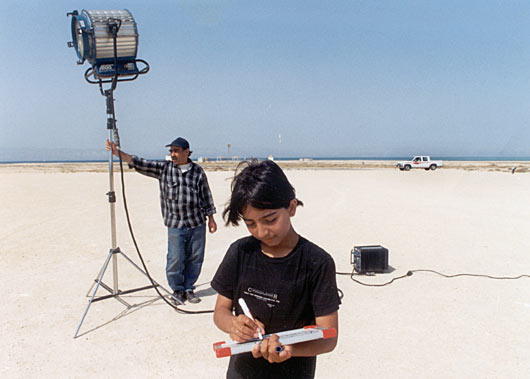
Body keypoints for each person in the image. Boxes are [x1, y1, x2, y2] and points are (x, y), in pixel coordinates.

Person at [211, 160, 340, 379]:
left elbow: (328, 337)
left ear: (290, 207)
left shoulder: (317, 262)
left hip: (293, 371)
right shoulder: (240, 252)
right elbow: (220, 311)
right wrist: (234, 324)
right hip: (242, 371)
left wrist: (288, 349)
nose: (262, 232)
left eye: (270, 220)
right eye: (251, 223)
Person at [106, 137, 217, 304]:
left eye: (176, 151)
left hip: (197, 223)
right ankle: (177, 290)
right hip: (175, 224)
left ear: (187, 152)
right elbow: (140, 163)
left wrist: (211, 218)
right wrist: (117, 153)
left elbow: (206, 195)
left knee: (195, 257)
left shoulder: (198, 171)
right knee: (175, 258)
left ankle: (189, 288)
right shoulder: (164, 169)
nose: (172, 154)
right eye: (171, 151)